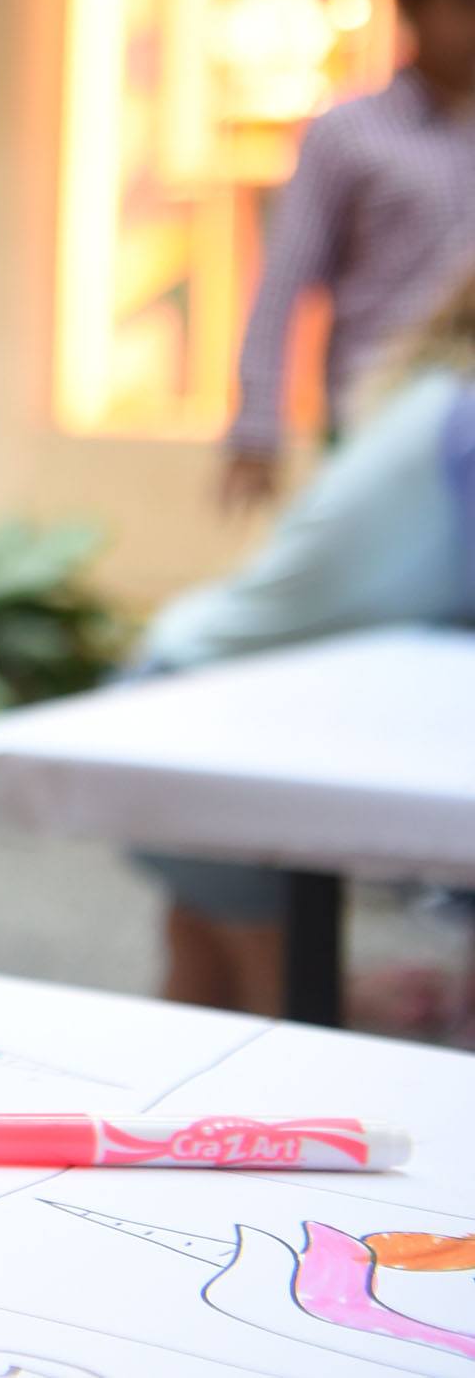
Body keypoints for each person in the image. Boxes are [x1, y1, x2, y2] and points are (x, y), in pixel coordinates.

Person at [141, 261, 475, 1014]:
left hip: (175, 681)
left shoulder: (437, 397)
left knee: (205, 997)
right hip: (214, 721)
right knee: (280, 1029)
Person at [220, 0, 475, 516]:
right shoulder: (347, 133)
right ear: (414, 2)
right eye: (465, 0)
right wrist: (257, 425)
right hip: (373, 430)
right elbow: (281, 287)